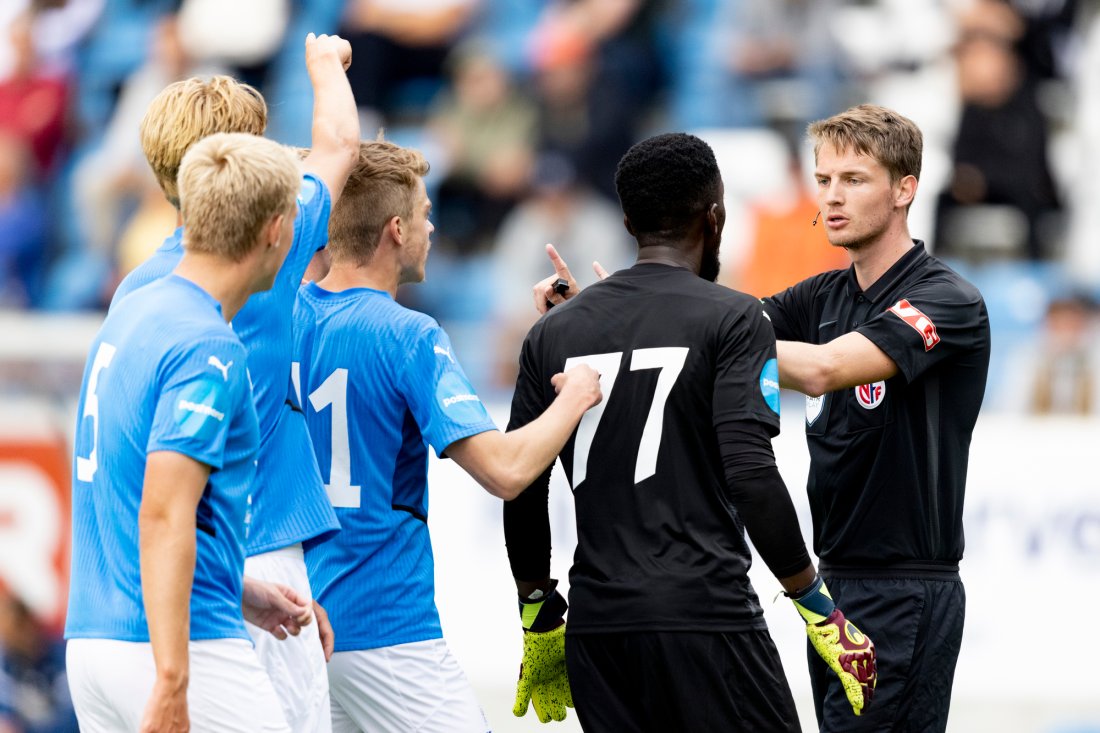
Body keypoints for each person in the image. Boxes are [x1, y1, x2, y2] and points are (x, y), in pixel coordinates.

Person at [536, 107, 992, 733]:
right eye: (824, 179)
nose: (831, 196)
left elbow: (827, 367)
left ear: (905, 189)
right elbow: (695, 318)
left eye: (853, 180)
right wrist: (610, 314)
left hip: (906, 586)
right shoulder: (821, 295)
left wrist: (716, 335)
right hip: (832, 584)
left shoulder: (949, 298)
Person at [507, 132, 875, 732]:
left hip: (600, 628)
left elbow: (520, 486)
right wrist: (815, 604)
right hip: (705, 614)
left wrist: (537, 615)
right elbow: (752, 475)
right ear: (716, 214)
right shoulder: (733, 316)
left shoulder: (552, 332)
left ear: (628, 221)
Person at [291, 139, 602, 733]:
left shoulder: (285, 316)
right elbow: (506, 471)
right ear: (397, 229)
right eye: (427, 214)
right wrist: (576, 394)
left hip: (302, 628)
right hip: (388, 629)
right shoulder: (408, 334)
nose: (433, 228)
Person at [108, 33, 360, 732]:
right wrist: (322, 65)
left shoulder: (135, 289)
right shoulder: (271, 253)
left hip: (168, 574)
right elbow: (339, 142)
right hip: (259, 548)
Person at [64, 132, 312, 733]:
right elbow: (164, 513)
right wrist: (174, 678)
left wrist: (240, 586)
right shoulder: (207, 347)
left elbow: (128, 490)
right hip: (177, 647)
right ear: (275, 230)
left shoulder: (132, 311)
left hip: (94, 645)